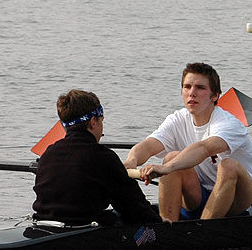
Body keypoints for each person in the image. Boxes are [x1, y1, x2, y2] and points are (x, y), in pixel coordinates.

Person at [124, 62, 252, 221]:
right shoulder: (177, 119)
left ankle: (203, 230)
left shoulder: (228, 123)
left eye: (200, 88)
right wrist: (131, 161)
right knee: (171, 157)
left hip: (240, 202)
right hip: (199, 196)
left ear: (215, 96)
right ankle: (166, 228)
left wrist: (166, 168)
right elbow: (149, 145)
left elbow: (204, 148)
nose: (192, 93)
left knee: (228, 166)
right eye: (187, 87)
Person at [33, 90, 163, 226]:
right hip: (83, 233)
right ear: (93, 121)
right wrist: (162, 226)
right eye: (101, 121)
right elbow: (133, 206)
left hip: (42, 224)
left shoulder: (48, 153)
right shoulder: (102, 156)